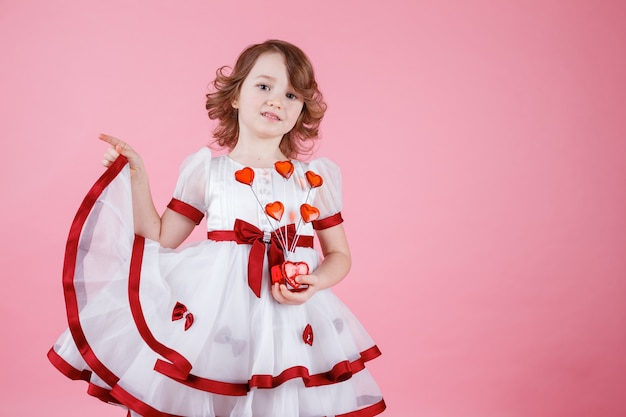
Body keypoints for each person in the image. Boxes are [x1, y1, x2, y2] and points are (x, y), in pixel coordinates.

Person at [48, 39, 385, 417]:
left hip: (293, 320)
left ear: (302, 110)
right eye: (264, 86)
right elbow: (161, 238)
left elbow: (339, 255)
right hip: (218, 313)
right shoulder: (208, 171)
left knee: (285, 397)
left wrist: (317, 282)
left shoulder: (313, 180)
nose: (277, 100)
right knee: (217, 386)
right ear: (236, 95)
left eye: (292, 94)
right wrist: (138, 174)